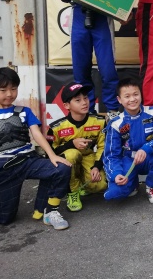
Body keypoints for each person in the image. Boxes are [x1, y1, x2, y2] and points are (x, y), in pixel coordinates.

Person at [0, 68, 71, 230]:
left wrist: (52, 156)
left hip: (27, 160)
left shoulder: (25, 112)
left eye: (13, 89)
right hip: (2, 167)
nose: (9, 94)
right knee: (4, 218)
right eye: (3, 90)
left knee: (61, 168)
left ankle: (48, 210)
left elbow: (37, 134)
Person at [54, 0, 122, 118]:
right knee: (81, 72)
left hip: (102, 21)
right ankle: (87, 112)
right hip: (79, 19)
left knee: (108, 71)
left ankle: (112, 111)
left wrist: (125, 12)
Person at [103, 78, 153, 204]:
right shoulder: (115, 123)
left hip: (150, 156)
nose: (132, 99)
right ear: (119, 99)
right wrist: (116, 174)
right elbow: (111, 155)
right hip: (128, 160)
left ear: (141, 94)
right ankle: (132, 184)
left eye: (135, 94)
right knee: (114, 194)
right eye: (127, 96)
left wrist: (146, 149)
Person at [46, 82, 107, 212]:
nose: (84, 102)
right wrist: (71, 144)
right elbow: (49, 153)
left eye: (85, 98)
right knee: (72, 154)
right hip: (67, 161)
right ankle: (72, 192)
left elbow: (103, 147)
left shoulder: (100, 121)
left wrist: (97, 166)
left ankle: (82, 184)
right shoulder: (55, 128)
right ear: (66, 105)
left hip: (88, 156)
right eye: (78, 100)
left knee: (100, 185)